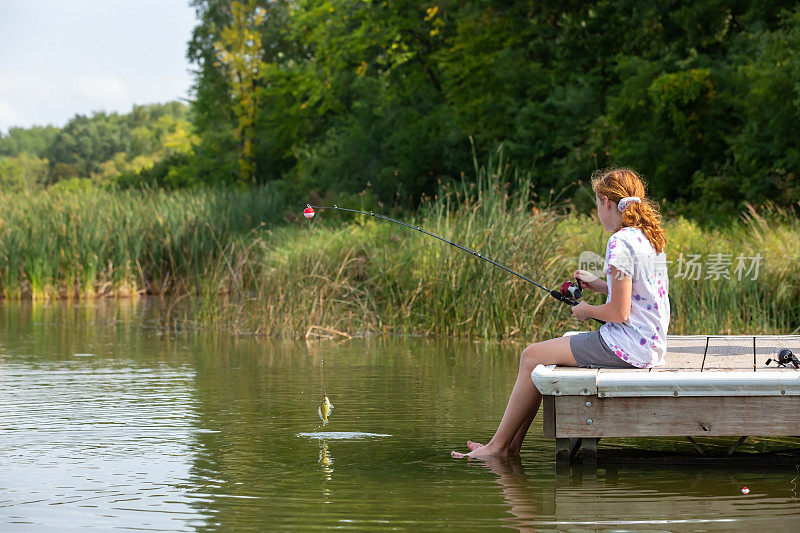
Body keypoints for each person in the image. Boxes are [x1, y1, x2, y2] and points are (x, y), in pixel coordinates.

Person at [452, 167, 669, 458]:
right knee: (537, 361)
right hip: (649, 344)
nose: (598, 212)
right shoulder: (647, 236)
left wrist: (585, 310)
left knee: (531, 356)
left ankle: (497, 448)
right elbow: (640, 295)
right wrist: (598, 285)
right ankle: (509, 448)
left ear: (606, 202)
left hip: (628, 347)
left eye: (596, 204)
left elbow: (619, 312)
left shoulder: (619, 242)